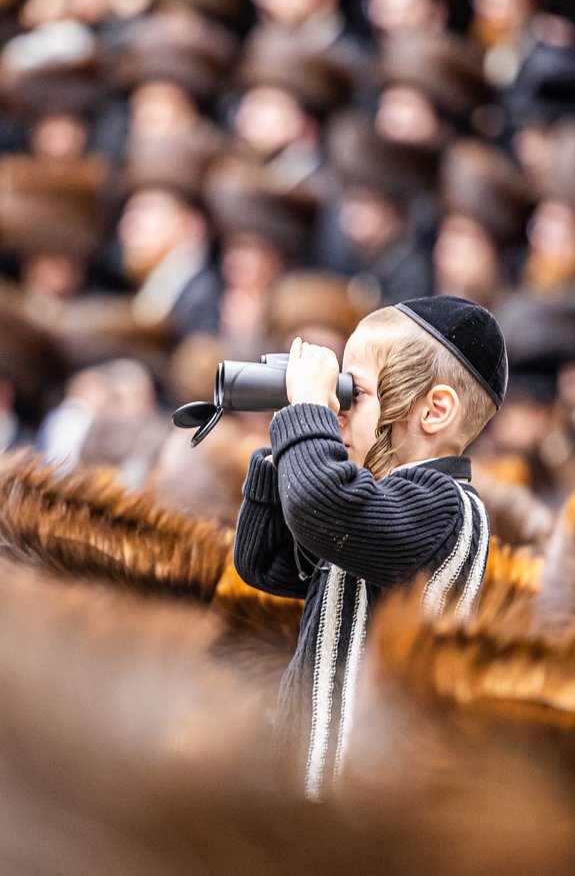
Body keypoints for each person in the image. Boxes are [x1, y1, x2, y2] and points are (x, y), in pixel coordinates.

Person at [232, 295, 507, 799]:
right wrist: (287, 448)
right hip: (316, 792)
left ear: (434, 410)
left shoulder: (444, 507)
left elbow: (320, 502)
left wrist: (310, 416)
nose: (338, 410)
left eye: (353, 394)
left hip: (371, 803)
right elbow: (263, 562)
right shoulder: (372, 508)